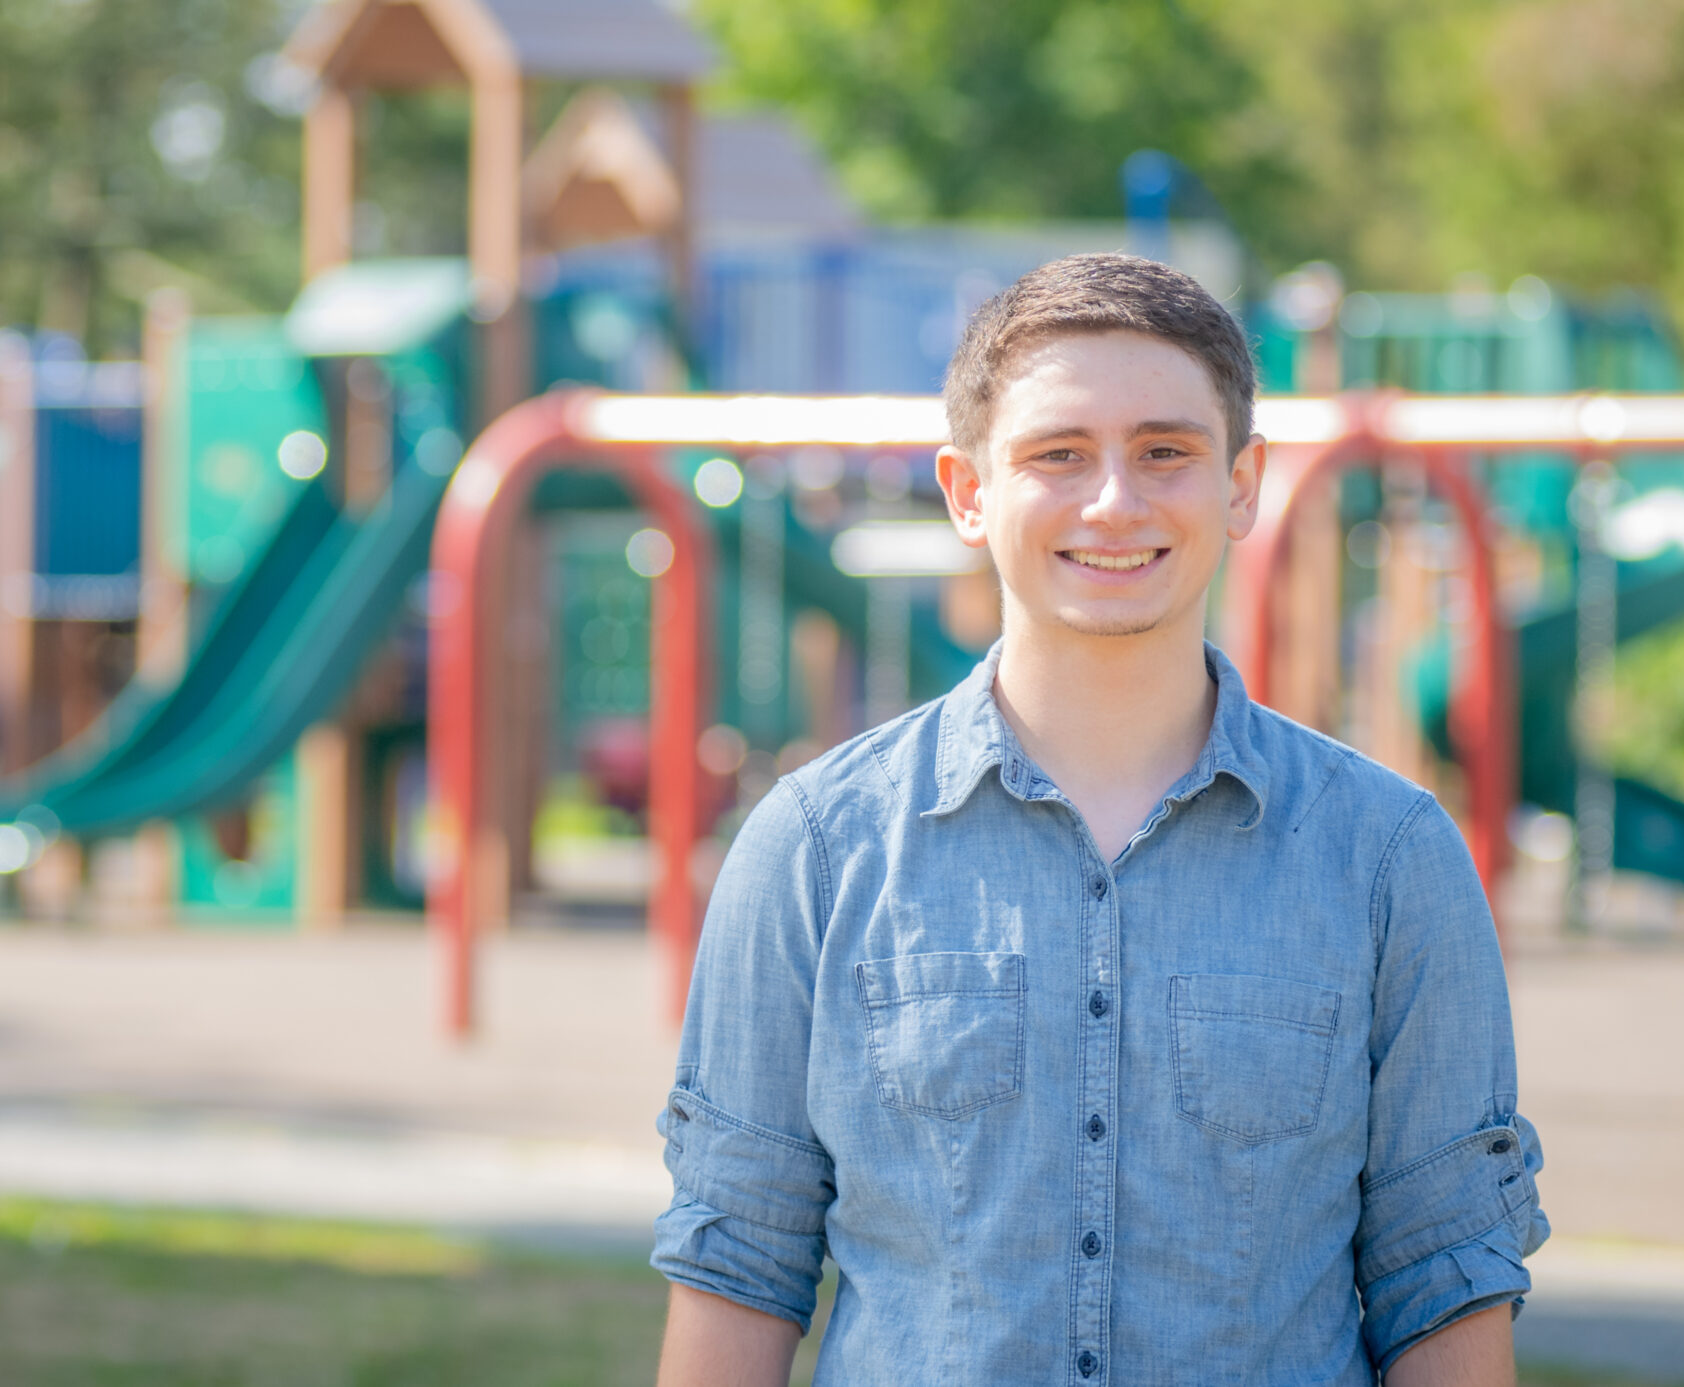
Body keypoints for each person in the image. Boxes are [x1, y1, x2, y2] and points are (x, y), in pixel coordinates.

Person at [651, 253, 1545, 1386]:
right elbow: (738, 1267)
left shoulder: (1389, 859)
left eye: (1164, 451)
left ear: (1241, 482)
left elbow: (1444, 1278)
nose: (1114, 501)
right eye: (1057, 455)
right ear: (968, 491)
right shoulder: (814, 851)